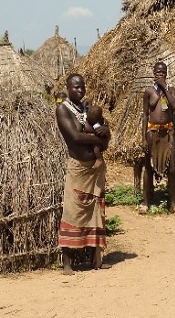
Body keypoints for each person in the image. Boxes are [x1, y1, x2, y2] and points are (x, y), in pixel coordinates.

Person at [55, 73, 112, 274]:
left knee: (97, 212)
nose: (80, 90)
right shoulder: (63, 109)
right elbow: (75, 137)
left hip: (95, 171)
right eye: (76, 87)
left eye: (82, 87)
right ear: (68, 88)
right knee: (73, 211)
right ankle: (67, 262)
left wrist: (105, 133)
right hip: (78, 168)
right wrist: (97, 138)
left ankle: (97, 259)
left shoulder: (88, 109)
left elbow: (104, 133)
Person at [139, 61, 175, 215]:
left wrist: (164, 87)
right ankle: (145, 202)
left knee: (172, 169)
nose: (160, 74)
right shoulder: (149, 91)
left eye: (163, 72)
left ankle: (173, 202)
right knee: (148, 168)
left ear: (166, 73)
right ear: (153, 73)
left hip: (168, 133)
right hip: (152, 133)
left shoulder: (171, 90)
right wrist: (143, 138)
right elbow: (145, 115)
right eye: (157, 72)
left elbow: (174, 105)